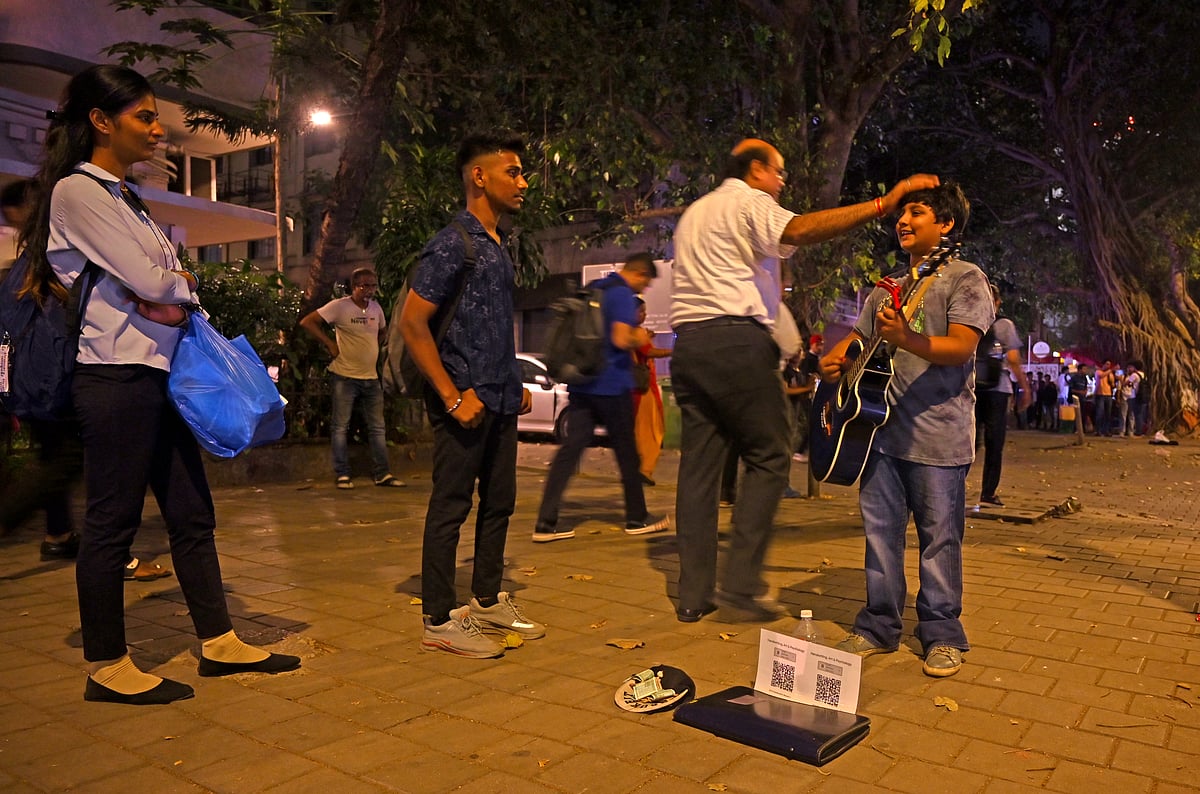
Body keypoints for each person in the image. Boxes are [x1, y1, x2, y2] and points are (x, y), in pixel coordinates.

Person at [27, 65, 298, 705]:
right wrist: (177, 285)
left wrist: (174, 286)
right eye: (145, 117)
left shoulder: (127, 198)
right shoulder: (77, 192)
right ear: (101, 121)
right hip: (114, 376)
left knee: (191, 513)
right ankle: (106, 665)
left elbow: (165, 279)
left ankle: (218, 642)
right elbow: (156, 281)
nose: (157, 130)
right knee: (112, 521)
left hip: (160, 373)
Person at [669, 136, 939, 624]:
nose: (780, 184)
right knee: (770, 455)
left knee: (699, 470)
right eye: (778, 173)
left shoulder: (694, 214)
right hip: (736, 342)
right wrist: (882, 204)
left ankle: (692, 595)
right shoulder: (748, 201)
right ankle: (742, 584)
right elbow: (799, 229)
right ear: (756, 170)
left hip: (689, 346)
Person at [824, 182, 993, 678]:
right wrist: (837, 358)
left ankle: (942, 633)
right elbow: (859, 340)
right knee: (880, 536)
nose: (903, 221)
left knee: (940, 540)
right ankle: (878, 626)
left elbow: (960, 348)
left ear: (946, 224)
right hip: (877, 435)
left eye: (916, 212)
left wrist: (907, 337)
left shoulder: (965, 278)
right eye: (901, 214)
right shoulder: (887, 288)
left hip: (939, 437)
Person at [400, 131, 544, 659]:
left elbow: (488, 325)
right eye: (513, 172)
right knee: (451, 507)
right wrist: (452, 396)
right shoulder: (452, 243)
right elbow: (413, 323)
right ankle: (438, 618)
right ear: (479, 176)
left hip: (499, 398)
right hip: (464, 402)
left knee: (500, 503)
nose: (523, 182)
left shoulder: (498, 243)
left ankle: (485, 600)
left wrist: (513, 381)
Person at [532, 253, 670, 542]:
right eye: (646, 283)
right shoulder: (621, 294)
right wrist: (641, 337)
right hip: (611, 387)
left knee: (569, 452)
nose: (645, 289)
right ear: (640, 274)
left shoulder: (596, 288)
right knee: (627, 454)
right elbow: (621, 338)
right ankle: (637, 517)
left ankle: (546, 522)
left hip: (583, 385)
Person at [300, 267, 404, 489]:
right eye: (365, 286)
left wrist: (374, 346)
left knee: (377, 427)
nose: (370, 290)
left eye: (373, 285)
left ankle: (382, 473)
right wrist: (330, 343)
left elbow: (383, 331)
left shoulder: (376, 308)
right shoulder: (340, 306)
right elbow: (308, 321)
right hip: (345, 376)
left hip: (371, 377)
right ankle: (342, 474)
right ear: (354, 287)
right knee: (340, 426)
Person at [974, 284, 1031, 506]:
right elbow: (1014, 359)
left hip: (971, 388)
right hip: (998, 390)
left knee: (969, 441)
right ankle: (988, 493)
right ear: (997, 302)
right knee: (994, 443)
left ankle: (953, 488)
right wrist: (1025, 388)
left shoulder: (968, 323)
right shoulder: (1004, 324)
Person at [631, 297, 671, 487]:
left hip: (634, 387)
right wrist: (671, 351)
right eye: (641, 311)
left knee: (641, 430)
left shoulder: (626, 332)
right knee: (651, 430)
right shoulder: (636, 332)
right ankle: (644, 470)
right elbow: (648, 352)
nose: (644, 315)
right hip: (643, 389)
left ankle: (638, 469)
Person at [1093, 360, 1115, 436]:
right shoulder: (1098, 372)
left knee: (1108, 414)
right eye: (1107, 364)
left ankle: (1106, 430)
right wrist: (1110, 370)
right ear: (1103, 364)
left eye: (1109, 364)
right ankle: (1098, 430)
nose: (1108, 366)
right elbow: (1101, 376)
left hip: (1108, 395)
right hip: (1100, 394)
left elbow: (1112, 384)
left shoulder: (1110, 374)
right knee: (1100, 413)